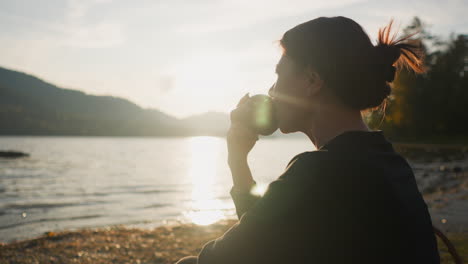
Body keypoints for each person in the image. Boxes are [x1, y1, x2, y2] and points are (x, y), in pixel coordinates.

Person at [176, 16, 440, 264]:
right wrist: (238, 161)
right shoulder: (389, 162)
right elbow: (263, 239)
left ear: (312, 80)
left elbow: (220, 258)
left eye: (279, 76)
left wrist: (235, 158)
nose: (272, 91)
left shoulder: (319, 172)